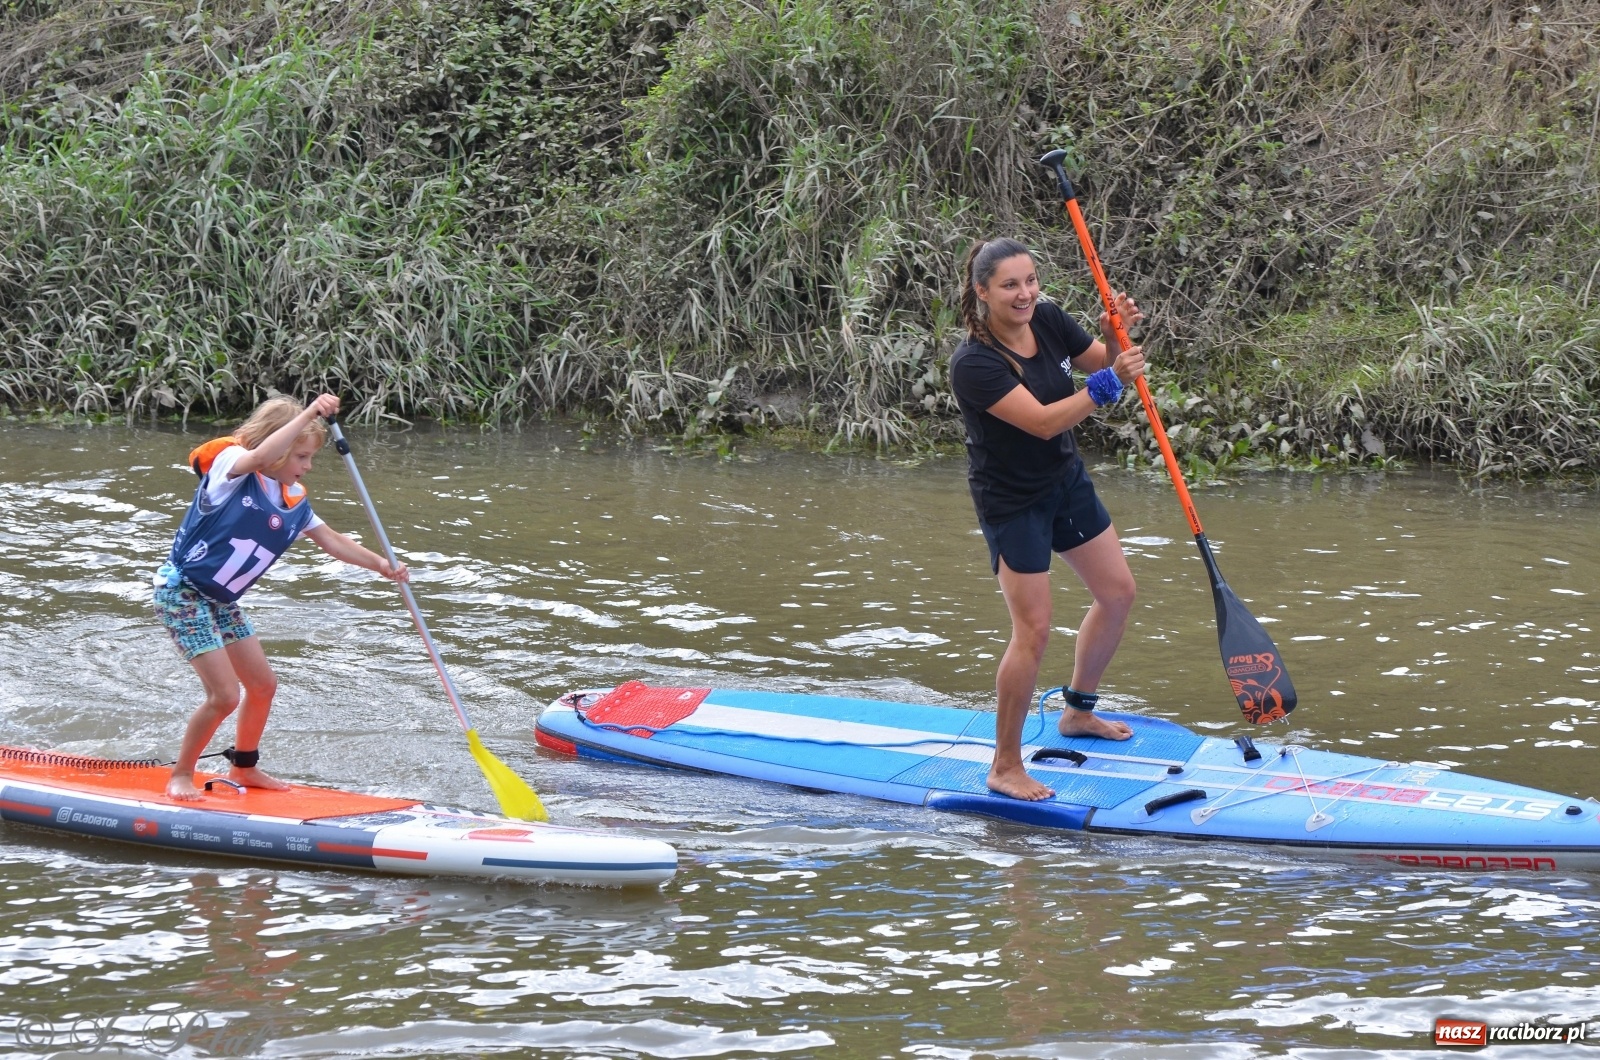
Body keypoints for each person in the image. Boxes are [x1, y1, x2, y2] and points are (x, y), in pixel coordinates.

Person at [948, 237, 1147, 801]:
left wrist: (1113, 340)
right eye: (1010, 285)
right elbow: (1041, 421)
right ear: (982, 292)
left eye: (1030, 281)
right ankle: (1005, 765)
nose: (1025, 293)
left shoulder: (1051, 319)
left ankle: (1078, 712)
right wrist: (1111, 385)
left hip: (1064, 482)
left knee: (1118, 593)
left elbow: (1102, 365)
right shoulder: (975, 364)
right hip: (1012, 501)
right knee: (1033, 630)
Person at [155, 394, 409, 800]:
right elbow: (257, 459)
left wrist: (382, 565)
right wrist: (309, 413)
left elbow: (333, 542)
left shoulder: (293, 500)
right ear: (277, 447)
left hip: (221, 600)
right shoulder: (230, 469)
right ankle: (181, 774)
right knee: (224, 696)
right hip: (183, 594)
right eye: (302, 457)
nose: (307, 467)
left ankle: (245, 766)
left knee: (263, 685)